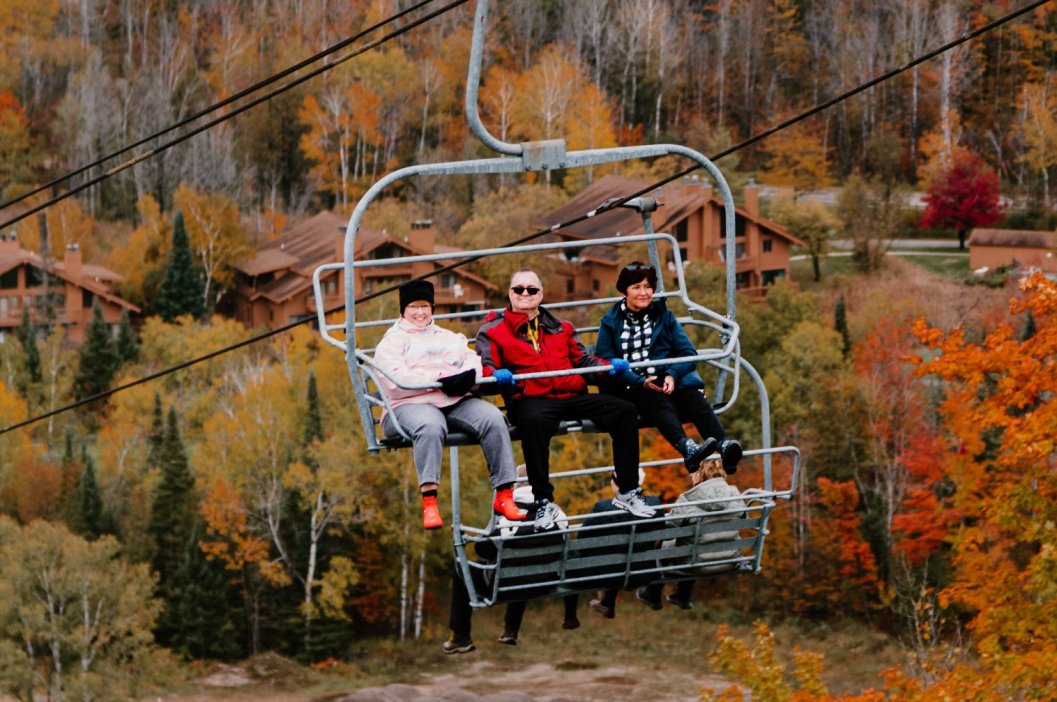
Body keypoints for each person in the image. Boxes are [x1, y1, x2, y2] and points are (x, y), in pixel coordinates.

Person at [476, 268, 655, 529]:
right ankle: (543, 500)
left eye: (532, 289)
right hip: (531, 397)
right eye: (519, 289)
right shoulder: (493, 331)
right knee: (534, 424)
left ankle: (628, 490)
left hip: (571, 394)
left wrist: (607, 367)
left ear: (541, 294)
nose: (525, 294)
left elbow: (582, 361)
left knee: (624, 411)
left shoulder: (561, 327)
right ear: (510, 294)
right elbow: (486, 365)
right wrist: (496, 375)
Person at [373, 279, 528, 530]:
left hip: (453, 401)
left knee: (492, 418)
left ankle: (504, 494)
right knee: (430, 425)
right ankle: (430, 501)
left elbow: (471, 360)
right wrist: (439, 381)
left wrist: (465, 378)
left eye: (425, 306)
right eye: (414, 307)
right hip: (407, 405)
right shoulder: (392, 342)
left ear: (433, 308)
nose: (420, 312)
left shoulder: (447, 337)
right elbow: (396, 381)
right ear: (403, 310)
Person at [594, 262, 742, 475]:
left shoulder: (664, 317)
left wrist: (672, 375)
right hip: (630, 384)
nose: (643, 293)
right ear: (624, 291)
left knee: (692, 396)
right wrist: (638, 380)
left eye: (647, 287)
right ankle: (686, 447)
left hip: (663, 377)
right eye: (636, 287)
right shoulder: (611, 323)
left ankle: (724, 445)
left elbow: (688, 353)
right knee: (656, 399)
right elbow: (605, 362)